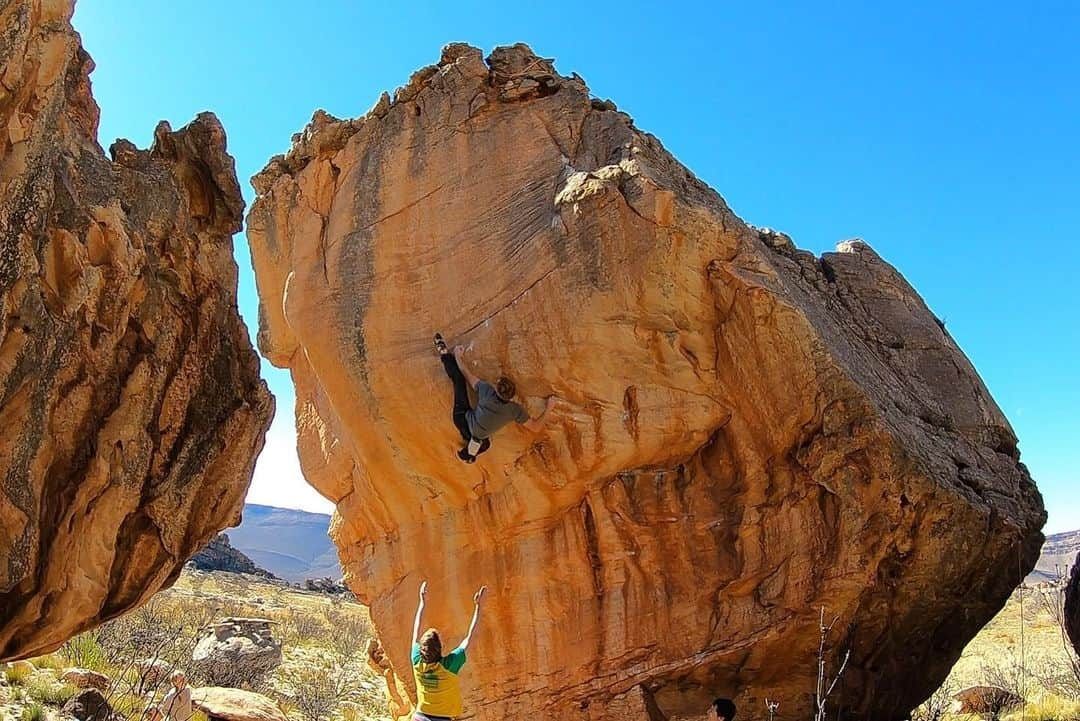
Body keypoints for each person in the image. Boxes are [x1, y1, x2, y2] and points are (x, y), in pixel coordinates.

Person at [434, 333, 557, 463]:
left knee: (458, 380)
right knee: (485, 444)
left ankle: (444, 353)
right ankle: (468, 454)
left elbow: (465, 373)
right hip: (477, 432)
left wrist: (458, 356)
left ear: (497, 388)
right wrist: (549, 407)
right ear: (512, 395)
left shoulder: (487, 391)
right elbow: (536, 428)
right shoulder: (514, 411)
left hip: (463, 418)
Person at [410, 580, 485, 721]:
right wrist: (479, 607)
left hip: (419, 717)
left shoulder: (416, 661)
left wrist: (422, 603)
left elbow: (416, 629)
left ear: (421, 649)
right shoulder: (449, 666)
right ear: (440, 648)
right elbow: (471, 637)